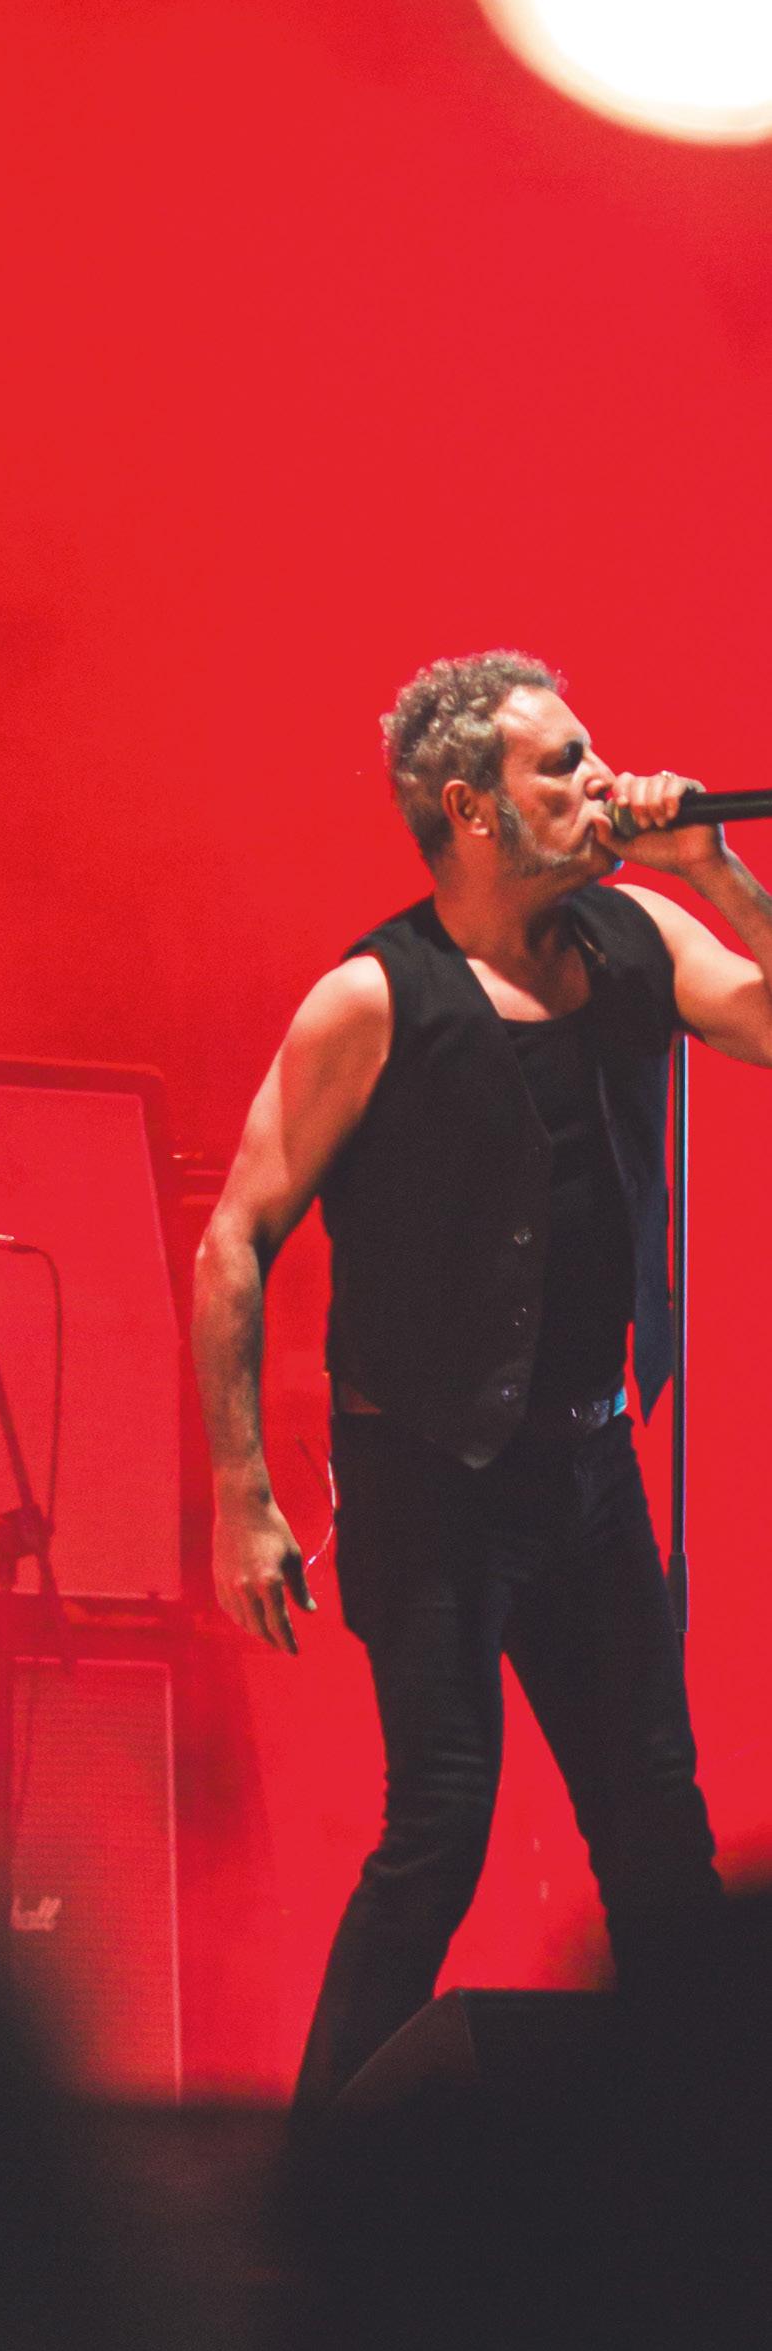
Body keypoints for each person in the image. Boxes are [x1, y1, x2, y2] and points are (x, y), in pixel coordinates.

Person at [193, 651, 772, 2115]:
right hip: (429, 1481)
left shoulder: (638, 933)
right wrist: (242, 1494)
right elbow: (234, 1238)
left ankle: (705, 2167)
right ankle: (320, 2166)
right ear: (469, 808)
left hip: (587, 1471)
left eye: (590, 755)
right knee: (439, 1830)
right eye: (560, 764)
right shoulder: (372, 999)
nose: (599, 781)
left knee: (657, 1835)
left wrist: (713, 873)